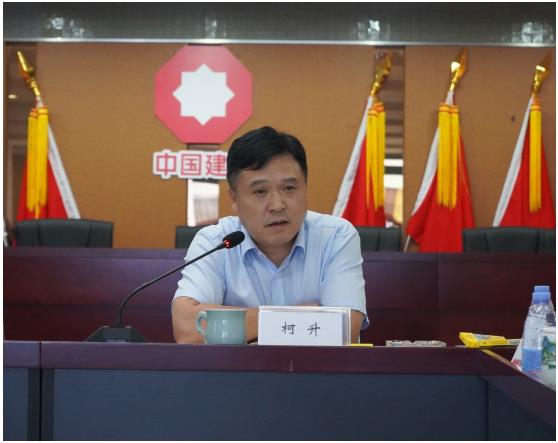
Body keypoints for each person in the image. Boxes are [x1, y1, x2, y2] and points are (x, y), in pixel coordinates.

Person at [172, 126, 368, 343]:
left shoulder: (336, 236)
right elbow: (188, 328)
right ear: (235, 199)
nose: (277, 205)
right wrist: (297, 315)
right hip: (238, 367)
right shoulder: (215, 242)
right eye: (260, 191)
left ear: (305, 188)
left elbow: (345, 327)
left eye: (289, 188)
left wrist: (240, 324)